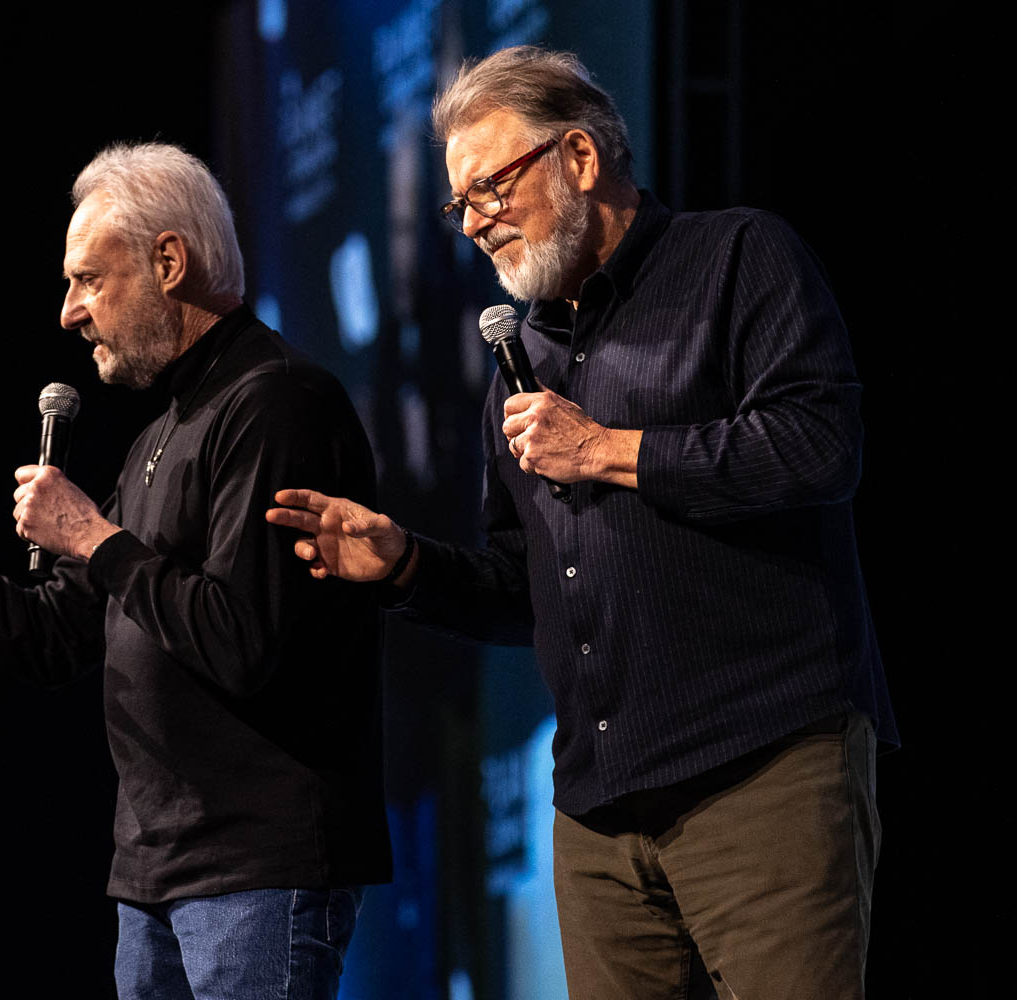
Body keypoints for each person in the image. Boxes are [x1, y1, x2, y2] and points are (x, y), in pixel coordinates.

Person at [267, 47, 895, 999]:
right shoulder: (525, 360)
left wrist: (611, 450)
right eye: (458, 206)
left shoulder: (737, 259)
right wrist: (404, 566)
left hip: (762, 773)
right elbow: (527, 584)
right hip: (598, 820)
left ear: (581, 158)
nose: (473, 225)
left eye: (489, 187)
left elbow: (818, 448)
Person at [0, 141, 390, 1000]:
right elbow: (53, 638)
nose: (69, 313)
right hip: (154, 878)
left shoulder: (277, 403)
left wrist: (96, 538)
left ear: (170, 262)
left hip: (258, 866)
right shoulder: (155, 438)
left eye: (90, 280)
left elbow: (247, 641)